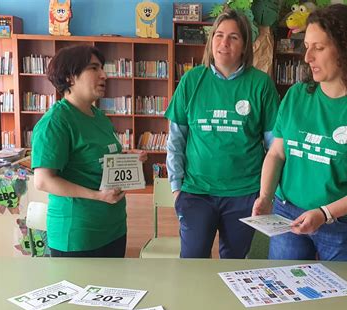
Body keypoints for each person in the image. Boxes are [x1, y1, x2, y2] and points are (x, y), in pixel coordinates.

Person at [252, 4, 347, 268]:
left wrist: (325, 213)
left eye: (318, 48)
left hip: (343, 224)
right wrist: (265, 196)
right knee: (285, 294)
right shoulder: (297, 95)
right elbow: (277, 152)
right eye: (306, 46)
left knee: (338, 303)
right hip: (288, 213)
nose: (307, 57)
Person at [165, 9, 280, 259]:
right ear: (210, 41)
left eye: (233, 37)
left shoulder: (261, 84)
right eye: (218, 35)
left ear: (244, 45)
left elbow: (275, 147)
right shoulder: (191, 80)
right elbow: (175, 140)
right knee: (193, 262)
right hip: (196, 192)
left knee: (234, 264)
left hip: (244, 193)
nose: (224, 43)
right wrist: (177, 189)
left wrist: (266, 193)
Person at [32, 45, 146, 257]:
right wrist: (97, 196)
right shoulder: (56, 122)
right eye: (94, 68)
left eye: (102, 68)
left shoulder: (99, 117)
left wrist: (127, 158)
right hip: (77, 235)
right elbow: (43, 180)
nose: (104, 75)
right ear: (69, 77)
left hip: (113, 228)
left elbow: (99, 159)